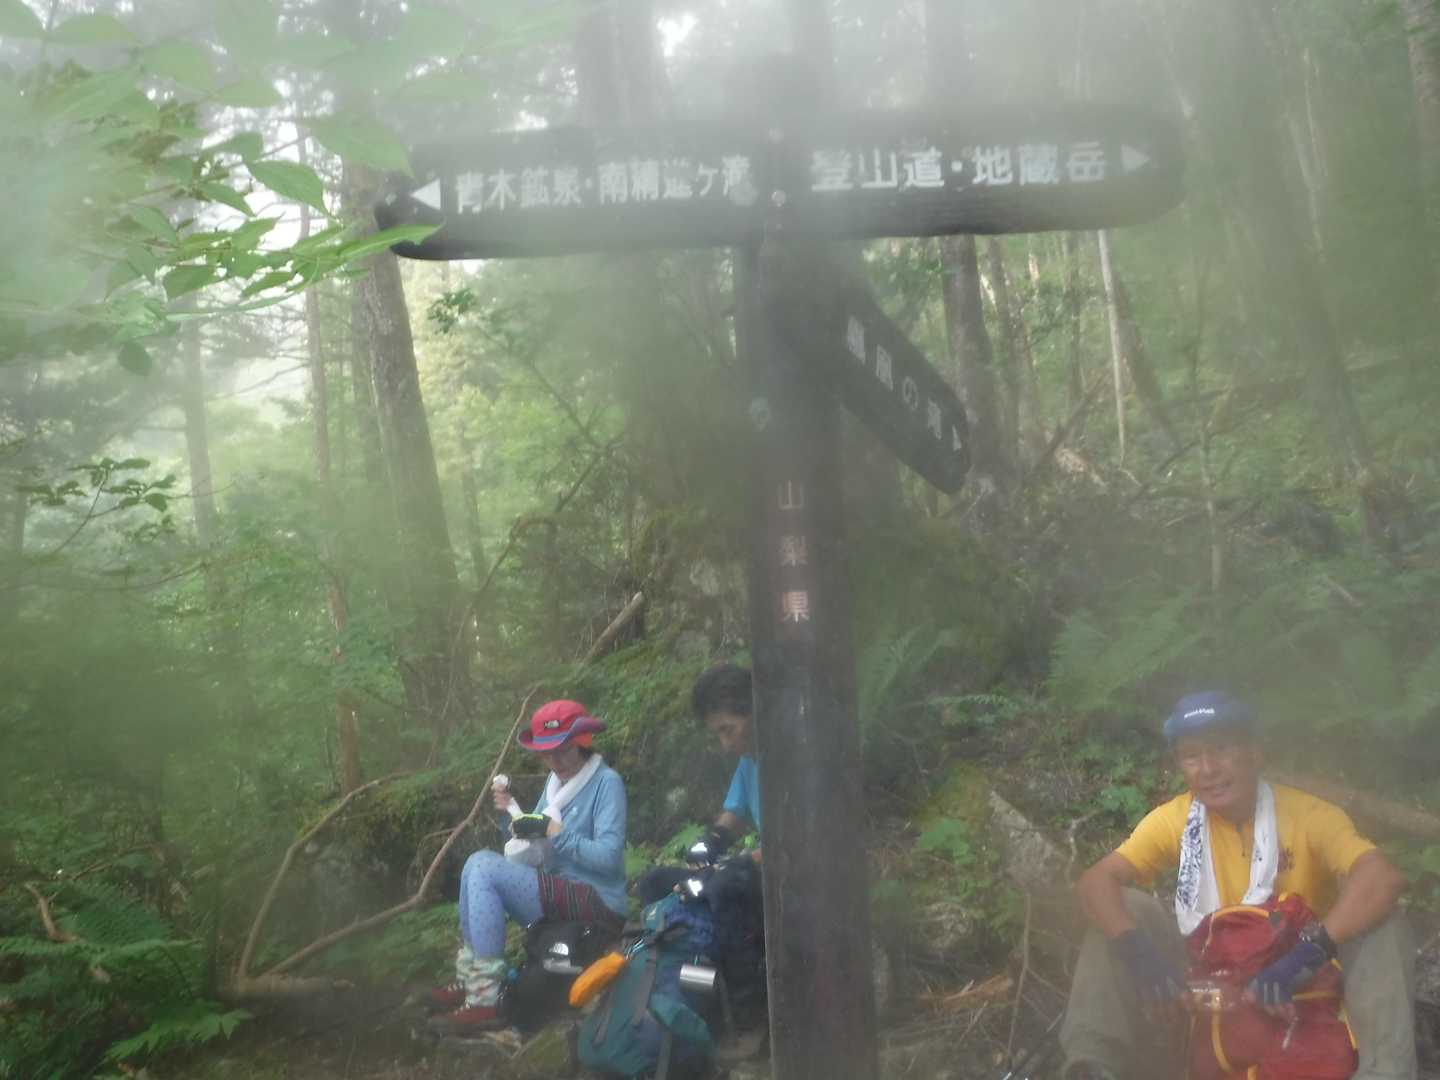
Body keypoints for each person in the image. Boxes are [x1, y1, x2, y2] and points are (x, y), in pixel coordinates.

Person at [1061, 691, 1417, 1080]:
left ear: (1255, 753)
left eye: (1222, 749)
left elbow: (1382, 878)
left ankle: (1385, 1073)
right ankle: (1092, 1067)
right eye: (1192, 756)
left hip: (1297, 987)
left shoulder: (1307, 814)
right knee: (1123, 906)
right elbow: (1095, 882)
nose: (1207, 768)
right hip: (1208, 992)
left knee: (1382, 921)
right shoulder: (1175, 819)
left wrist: (1304, 957)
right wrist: (1141, 957)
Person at [429, 699, 628, 1035]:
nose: (554, 761)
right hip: (558, 896)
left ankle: (485, 996)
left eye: (562, 750)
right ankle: (473, 980)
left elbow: (608, 860)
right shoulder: (554, 787)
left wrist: (555, 832)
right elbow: (532, 846)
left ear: (582, 741)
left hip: (598, 901)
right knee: (474, 865)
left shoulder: (606, 783)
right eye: (546, 753)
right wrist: (511, 813)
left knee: (483, 866)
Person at [638, 663, 763, 905]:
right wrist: (711, 842)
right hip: (751, 871)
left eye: (728, 729)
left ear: (754, 711)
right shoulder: (749, 761)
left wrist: (739, 865)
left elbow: (796, 849)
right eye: (718, 733)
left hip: (785, 883)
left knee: (717, 889)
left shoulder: (790, 763)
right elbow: (735, 814)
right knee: (655, 883)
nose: (726, 744)